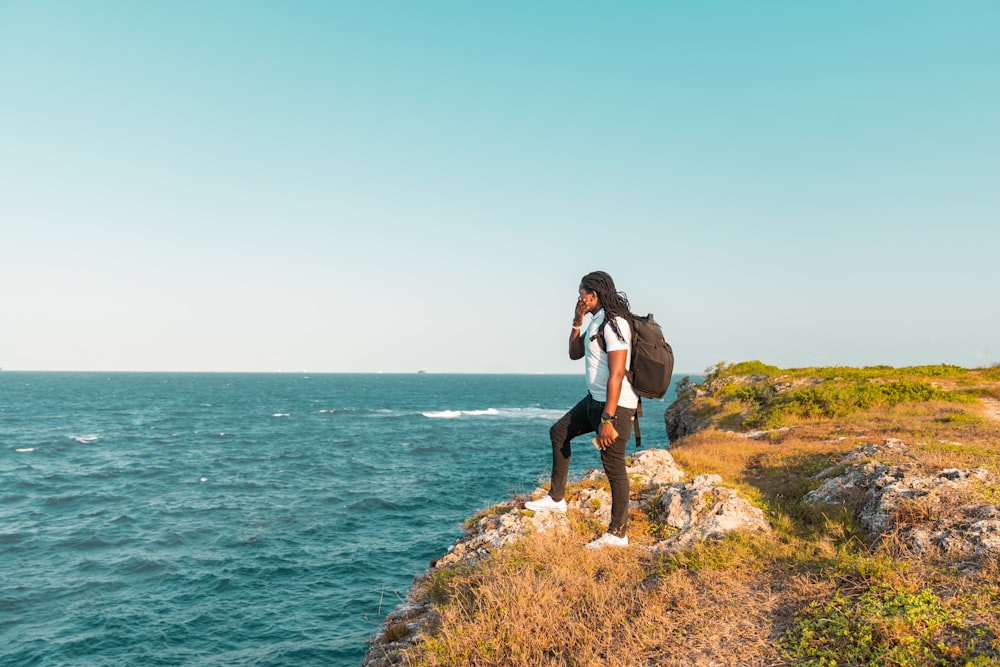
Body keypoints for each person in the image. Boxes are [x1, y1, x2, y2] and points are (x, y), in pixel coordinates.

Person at [525, 270, 638, 549]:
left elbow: (617, 374)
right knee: (559, 431)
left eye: (581, 295)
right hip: (593, 400)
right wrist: (577, 322)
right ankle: (556, 500)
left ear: (594, 295)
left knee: (613, 467)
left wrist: (608, 419)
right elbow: (575, 353)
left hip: (615, 406)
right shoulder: (597, 320)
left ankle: (618, 534)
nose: (579, 299)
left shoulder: (616, 324)